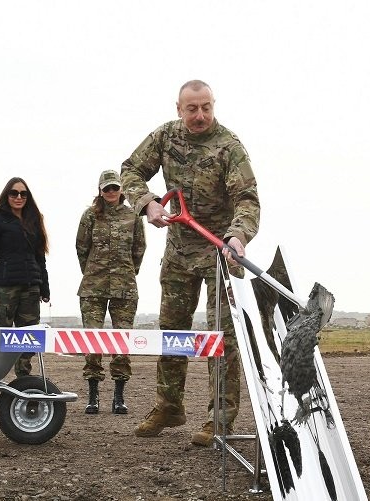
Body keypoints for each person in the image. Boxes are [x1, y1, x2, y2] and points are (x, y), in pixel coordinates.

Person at [120, 79, 260, 446]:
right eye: (192, 109)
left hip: (220, 253)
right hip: (179, 252)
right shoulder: (165, 137)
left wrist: (237, 236)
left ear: (214, 105)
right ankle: (169, 407)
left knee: (221, 339)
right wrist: (147, 202)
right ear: (178, 109)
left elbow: (247, 199)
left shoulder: (229, 146)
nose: (200, 116)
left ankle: (220, 418)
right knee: (173, 332)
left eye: (206, 108)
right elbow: (130, 170)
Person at [76, 169, 146, 415]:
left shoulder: (133, 216)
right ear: (100, 190)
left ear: (121, 190)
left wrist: (126, 273)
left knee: (122, 342)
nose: (111, 192)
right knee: (92, 341)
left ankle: (119, 397)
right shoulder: (90, 216)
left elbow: (139, 249)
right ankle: (93, 396)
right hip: (93, 287)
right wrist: (93, 272)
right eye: (107, 188)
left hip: (124, 288)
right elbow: (81, 248)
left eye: (115, 187)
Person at [0, 177, 50, 412]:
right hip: (4, 289)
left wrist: (44, 287)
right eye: (14, 193)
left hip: (31, 289)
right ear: (6, 195)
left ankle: (24, 388)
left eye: (23, 194)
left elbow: (40, 256)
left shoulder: (34, 219)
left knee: (27, 342)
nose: (19, 197)